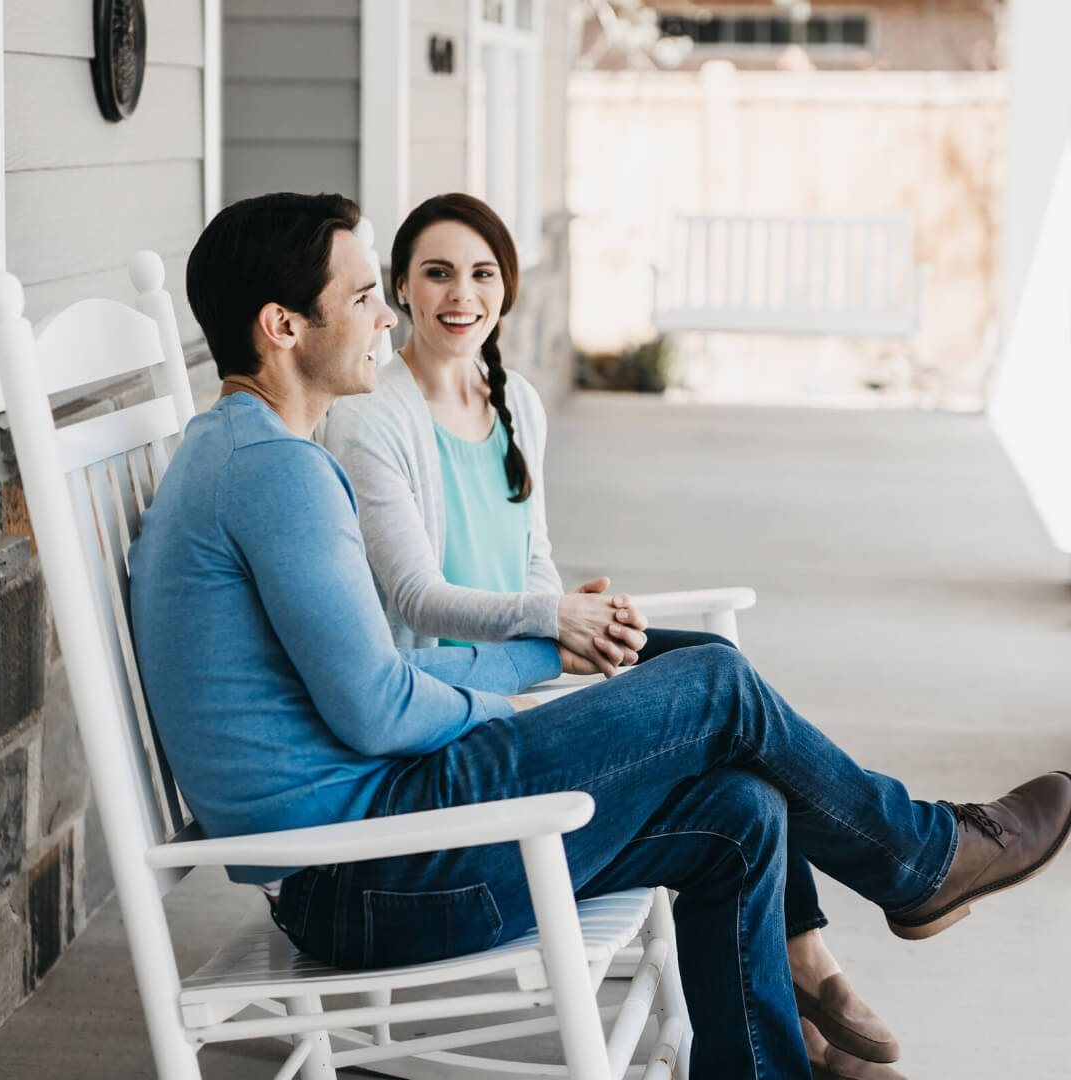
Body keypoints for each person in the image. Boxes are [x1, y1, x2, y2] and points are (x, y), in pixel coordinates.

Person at [128, 191, 1071, 1080]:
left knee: (740, 813)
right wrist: (510, 704)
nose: (386, 318)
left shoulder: (243, 454)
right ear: (283, 326)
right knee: (711, 680)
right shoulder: (277, 473)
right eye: (369, 294)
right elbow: (378, 708)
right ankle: (922, 860)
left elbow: (377, 682)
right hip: (373, 871)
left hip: (375, 851)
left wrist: (553, 650)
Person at [319, 193, 882, 1075]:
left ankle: (801, 981)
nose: (459, 294)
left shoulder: (517, 405)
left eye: (481, 274)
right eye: (436, 273)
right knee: (717, 675)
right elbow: (417, 597)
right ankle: (882, 885)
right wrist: (552, 621)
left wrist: (574, 619)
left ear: (505, 290)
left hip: (525, 680)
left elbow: (536, 562)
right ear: (399, 290)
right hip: (452, 721)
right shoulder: (372, 420)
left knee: (725, 713)